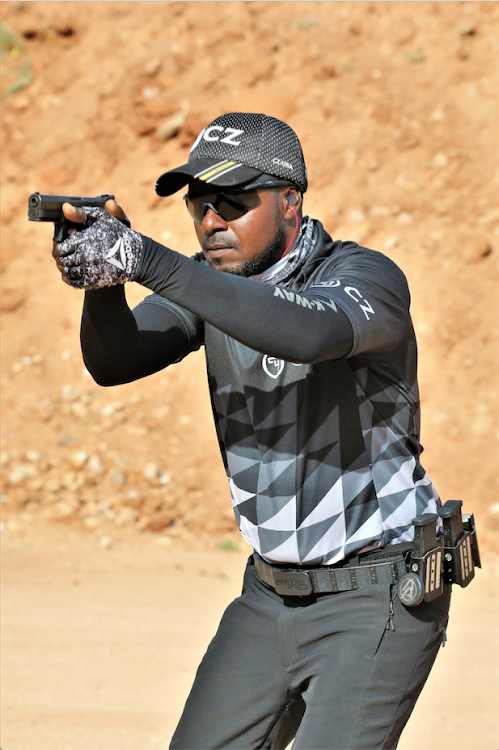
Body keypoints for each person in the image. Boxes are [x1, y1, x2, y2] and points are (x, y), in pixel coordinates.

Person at [53, 112, 451, 749]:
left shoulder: (364, 279)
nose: (212, 221)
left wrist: (143, 257)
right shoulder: (211, 284)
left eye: (233, 202)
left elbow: (305, 331)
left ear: (291, 201)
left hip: (379, 590)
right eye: (199, 205)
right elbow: (115, 361)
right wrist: (103, 285)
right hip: (269, 594)